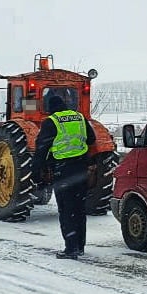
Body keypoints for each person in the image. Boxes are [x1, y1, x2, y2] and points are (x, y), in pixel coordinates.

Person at [33, 94, 96, 259]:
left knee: (66, 211)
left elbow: (41, 150)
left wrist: (36, 175)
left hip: (63, 172)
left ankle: (71, 248)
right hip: (81, 169)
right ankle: (80, 246)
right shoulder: (79, 117)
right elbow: (92, 139)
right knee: (79, 209)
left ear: (49, 108)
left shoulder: (51, 122)